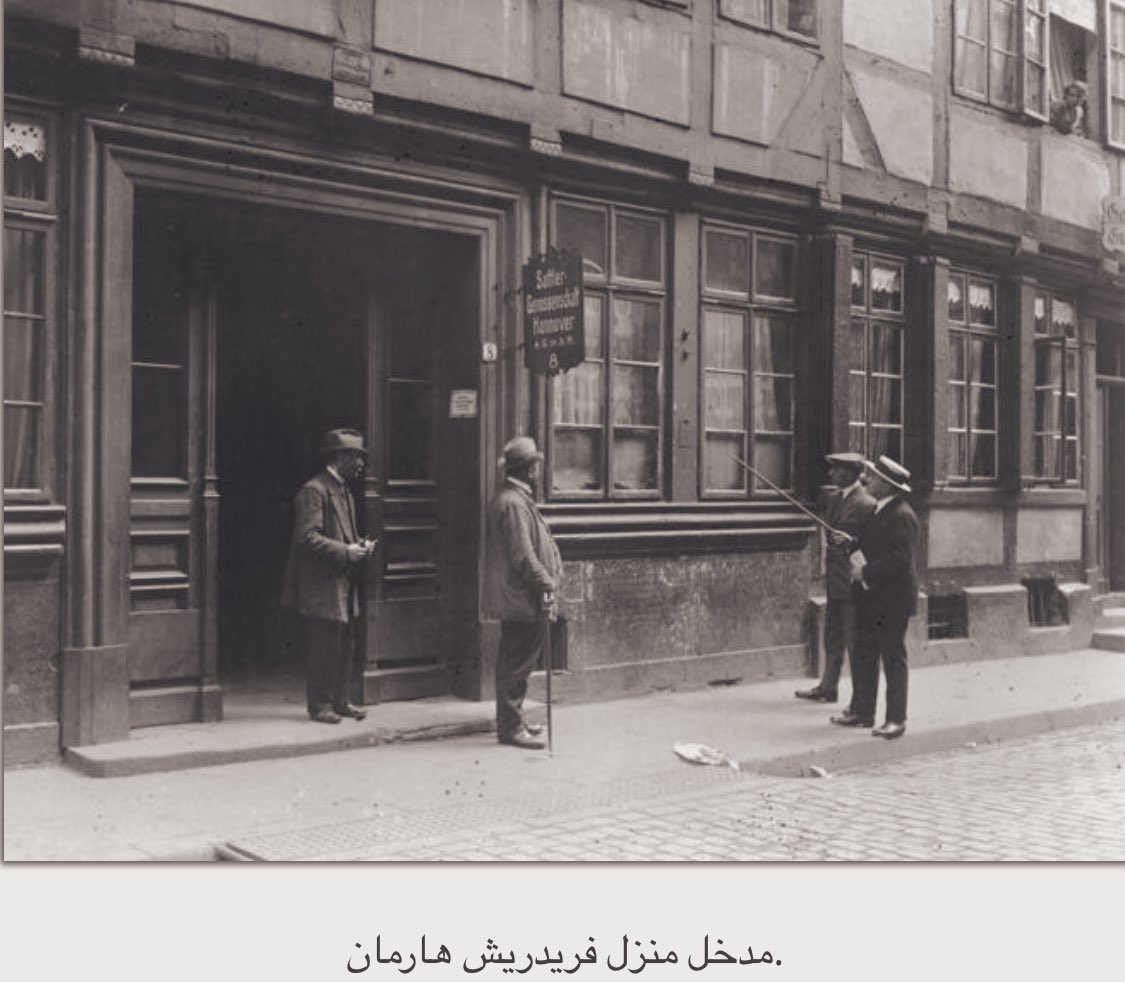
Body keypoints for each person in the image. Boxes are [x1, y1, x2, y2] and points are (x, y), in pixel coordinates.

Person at [281, 428, 377, 724]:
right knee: (325, 646)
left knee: (345, 646)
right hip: (323, 585)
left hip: (343, 582)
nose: (361, 464)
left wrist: (359, 545)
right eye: (357, 457)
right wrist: (346, 551)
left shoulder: (344, 491)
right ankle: (320, 705)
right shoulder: (314, 490)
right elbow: (307, 538)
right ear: (340, 457)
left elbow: (341, 535)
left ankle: (341, 701)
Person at [831, 455, 919, 739]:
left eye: (876, 478)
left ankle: (896, 720)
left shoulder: (902, 515)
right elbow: (874, 547)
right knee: (865, 654)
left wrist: (865, 572)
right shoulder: (879, 510)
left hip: (892, 601)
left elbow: (900, 561)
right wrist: (850, 544)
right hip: (871, 597)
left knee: (893, 658)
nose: (868, 480)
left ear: (888, 485)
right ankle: (863, 712)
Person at [484, 436, 562, 750]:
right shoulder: (513, 502)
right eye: (536, 466)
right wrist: (547, 583)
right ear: (530, 470)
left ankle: (514, 721)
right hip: (521, 597)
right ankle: (510, 728)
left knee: (518, 661)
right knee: (516, 663)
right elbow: (523, 557)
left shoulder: (514, 498)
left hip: (521, 596)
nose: (539, 471)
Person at [795, 452, 875, 705]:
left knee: (855, 642)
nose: (831, 474)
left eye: (837, 469)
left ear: (852, 472)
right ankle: (828, 688)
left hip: (854, 584)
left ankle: (860, 702)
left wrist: (852, 543)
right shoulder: (835, 499)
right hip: (834, 582)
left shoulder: (866, 504)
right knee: (833, 637)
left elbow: (873, 545)